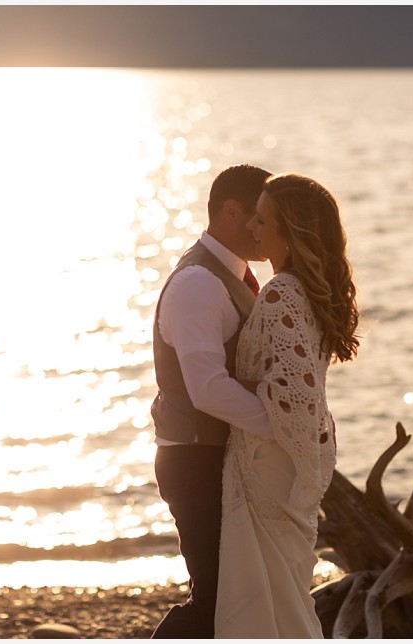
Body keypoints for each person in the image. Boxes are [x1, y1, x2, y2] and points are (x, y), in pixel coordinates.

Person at [214, 173, 360, 638]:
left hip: (267, 464)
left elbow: (295, 399)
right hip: (281, 459)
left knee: (263, 602)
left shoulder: (282, 294)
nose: (254, 229)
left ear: (291, 232)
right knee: (281, 597)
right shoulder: (306, 292)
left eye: (264, 220)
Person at [150, 163, 274, 639]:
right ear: (231, 211)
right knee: (217, 598)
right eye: (261, 217)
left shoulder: (233, 276)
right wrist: (280, 424)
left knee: (235, 596)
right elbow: (206, 388)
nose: (269, 230)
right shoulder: (198, 283)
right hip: (194, 461)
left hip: (217, 458)